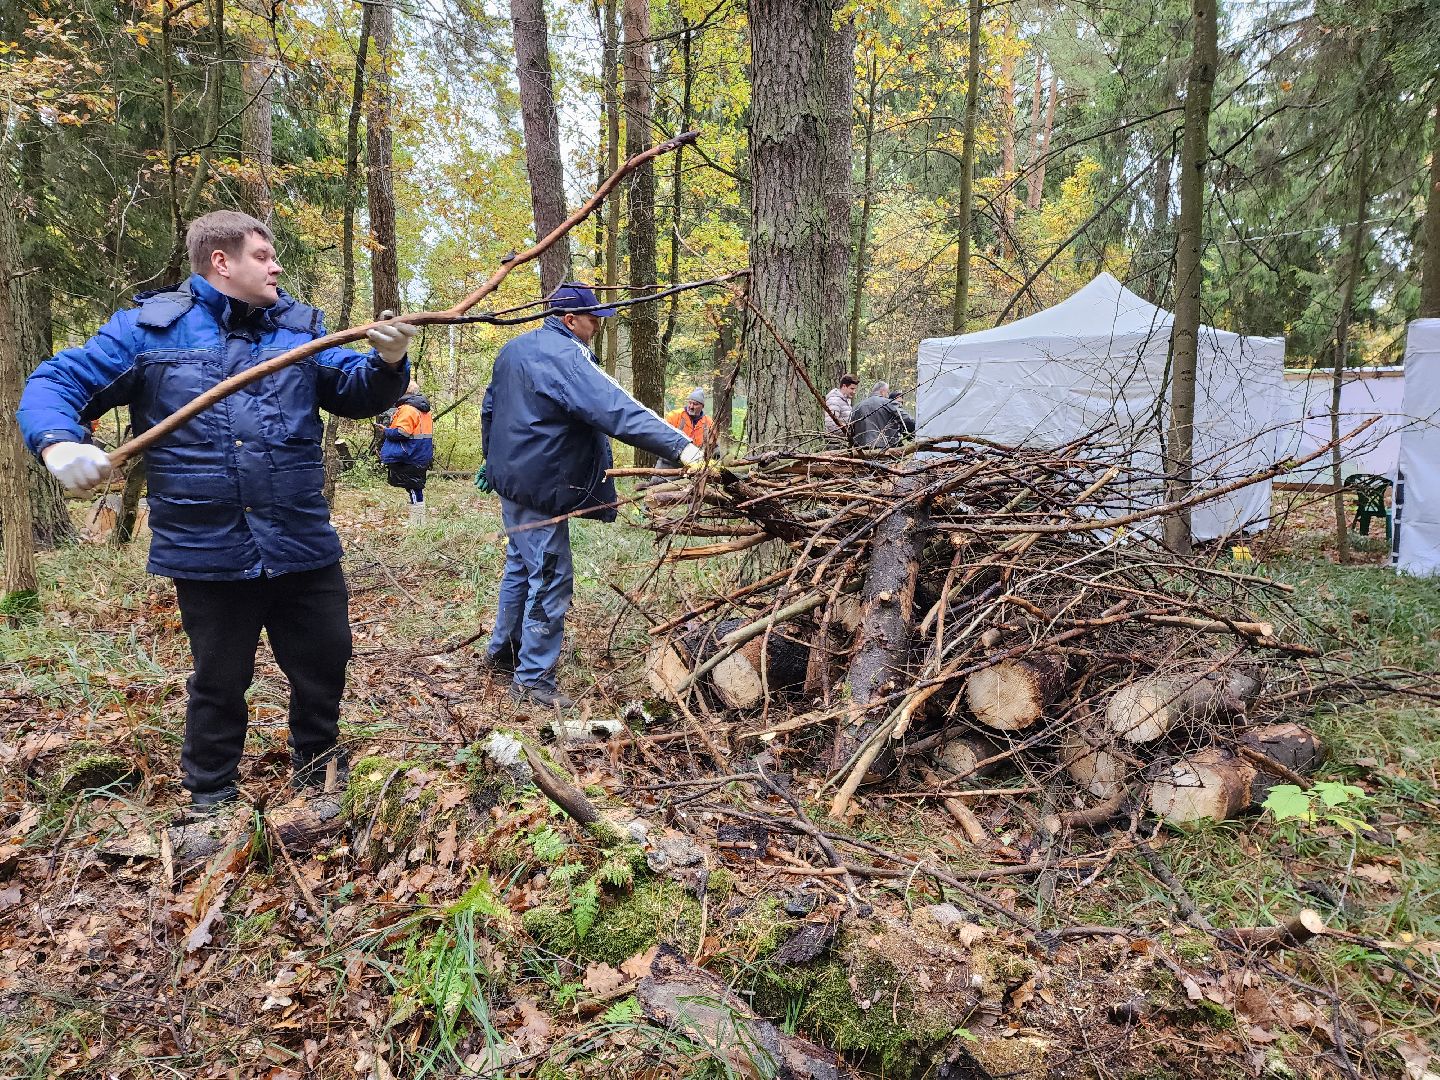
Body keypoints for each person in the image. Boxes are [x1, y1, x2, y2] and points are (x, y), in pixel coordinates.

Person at [16, 210, 417, 815]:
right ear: (221, 262)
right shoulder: (148, 333)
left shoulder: (302, 330)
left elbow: (356, 394)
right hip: (208, 548)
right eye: (262, 254)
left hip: (301, 539)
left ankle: (317, 773)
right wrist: (58, 441)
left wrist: (387, 365)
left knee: (325, 659)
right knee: (219, 680)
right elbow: (58, 380)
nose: (276, 265)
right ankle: (210, 796)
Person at [481, 283, 703, 708]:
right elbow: (618, 408)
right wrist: (683, 448)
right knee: (549, 576)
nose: (597, 327)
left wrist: (491, 459)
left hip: (514, 479)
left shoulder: (514, 349)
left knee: (520, 566)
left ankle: (503, 654)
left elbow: (491, 408)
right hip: (541, 484)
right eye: (593, 320)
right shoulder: (567, 358)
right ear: (570, 320)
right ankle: (531, 680)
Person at [380, 379, 435, 525]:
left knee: (413, 488)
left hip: (410, 454)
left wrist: (386, 431)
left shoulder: (407, 409)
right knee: (414, 488)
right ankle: (416, 522)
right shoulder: (423, 409)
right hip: (420, 453)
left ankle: (417, 523)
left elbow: (402, 432)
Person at [849, 381, 914, 448]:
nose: (888, 395)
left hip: (861, 449)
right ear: (882, 391)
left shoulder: (857, 407)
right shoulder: (888, 403)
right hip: (885, 449)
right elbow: (906, 419)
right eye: (887, 392)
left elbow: (850, 429)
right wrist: (917, 432)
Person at [661, 387, 715, 468]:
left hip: (696, 463)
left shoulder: (708, 422)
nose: (691, 406)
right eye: (690, 403)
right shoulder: (674, 416)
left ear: (702, 406)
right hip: (671, 461)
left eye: (695, 404)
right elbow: (662, 438)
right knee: (657, 481)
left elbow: (713, 445)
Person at [824, 373, 860, 444]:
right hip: (835, 443)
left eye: (855, 389)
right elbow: (831, 425)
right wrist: (849, 432)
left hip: (843, 442)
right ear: (844, 386)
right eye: (852, 388)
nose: (854, 392)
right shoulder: (834, 400)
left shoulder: (845, 400)